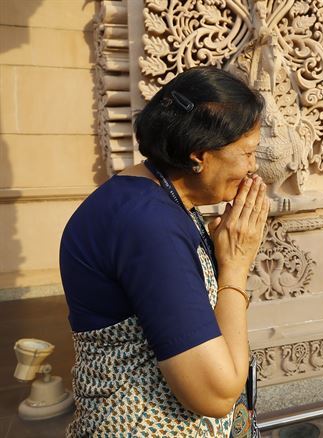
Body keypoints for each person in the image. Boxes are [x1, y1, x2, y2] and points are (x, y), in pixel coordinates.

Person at [60, 66, 269, 436]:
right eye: (248, 153)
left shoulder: (150, 197)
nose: (253, 169)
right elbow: (216, 394)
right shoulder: (148, 224)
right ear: (199, 155)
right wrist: (235, 267)